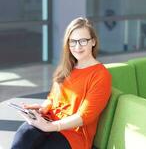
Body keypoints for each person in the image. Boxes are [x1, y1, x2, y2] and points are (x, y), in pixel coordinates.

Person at [10, 17, 112, 149]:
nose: (77, 46)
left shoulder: (100, 75)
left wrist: (51, 127)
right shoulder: (66, 67)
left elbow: (85, 116)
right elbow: (52, 99)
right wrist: (42, 108)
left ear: (93, 41)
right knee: (24, 136)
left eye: (83, 41)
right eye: (73, 41)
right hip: (48, 120)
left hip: (72, 133)